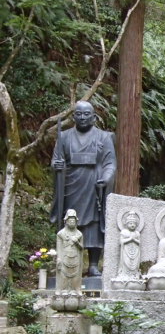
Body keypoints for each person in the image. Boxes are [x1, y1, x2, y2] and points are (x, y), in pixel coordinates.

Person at [50, 101, 116, 277]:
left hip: (94, 185)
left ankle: (93, 264)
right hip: (71, 184)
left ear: (94, 117)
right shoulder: (64, 137)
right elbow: (57, 160)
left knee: (94, 224)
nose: (82, 117)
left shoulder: (104, 137)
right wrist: (57, 166)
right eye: (78, 114)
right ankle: (70, 263)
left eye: (87, 114)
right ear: (73, 117)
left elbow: (110, 163)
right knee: (71, 220)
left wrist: (106, 179)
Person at [56, 209, 83, 293]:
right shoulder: (61, 234)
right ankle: (63, 290)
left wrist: (77, 242)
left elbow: (82, 248)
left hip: (76, 257)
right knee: (63, 275)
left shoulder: (79, 234)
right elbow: (59, 247)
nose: (72, 222)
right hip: (64, 257)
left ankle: (74, 290)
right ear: (66, 221)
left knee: (75, 275)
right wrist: (59, 258)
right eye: (70, 220)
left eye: (73, 221)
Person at [117, 211, 141, 278]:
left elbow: (139, 243)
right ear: (126, 224)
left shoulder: (137, 233)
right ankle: (124, 275)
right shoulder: (124, 232)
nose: (132, 225)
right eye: (130, 223)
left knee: (135, 264)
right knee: (125, 263)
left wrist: (134, 240)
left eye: (134, 223)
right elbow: (121, 242)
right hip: (126, 251)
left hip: (135, 251)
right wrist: (130, 239)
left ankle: (135, 274)